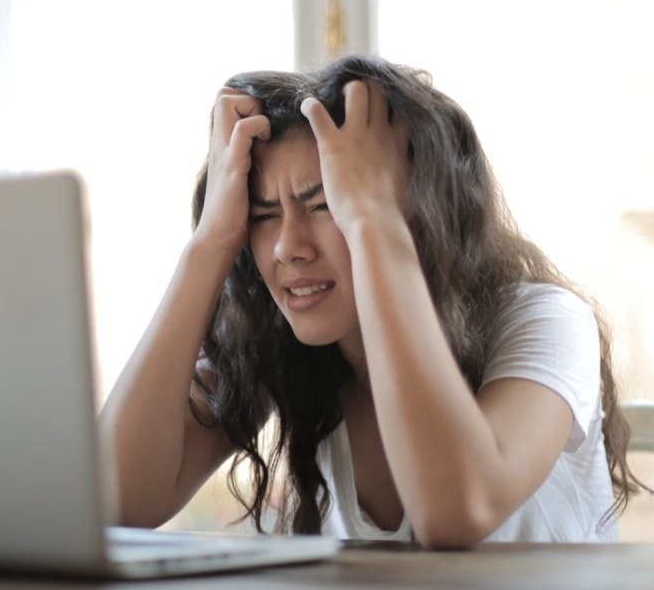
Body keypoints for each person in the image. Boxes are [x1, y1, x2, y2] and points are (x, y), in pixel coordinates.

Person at [98, 54, 646, 547]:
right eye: (263, 216)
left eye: (327, 205)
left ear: (418, 209)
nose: (288, 247)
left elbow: (457, 511)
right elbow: (114, 502)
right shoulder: (285, 347)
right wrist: (209, 243)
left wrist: (373, 222)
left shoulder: (545, 320)